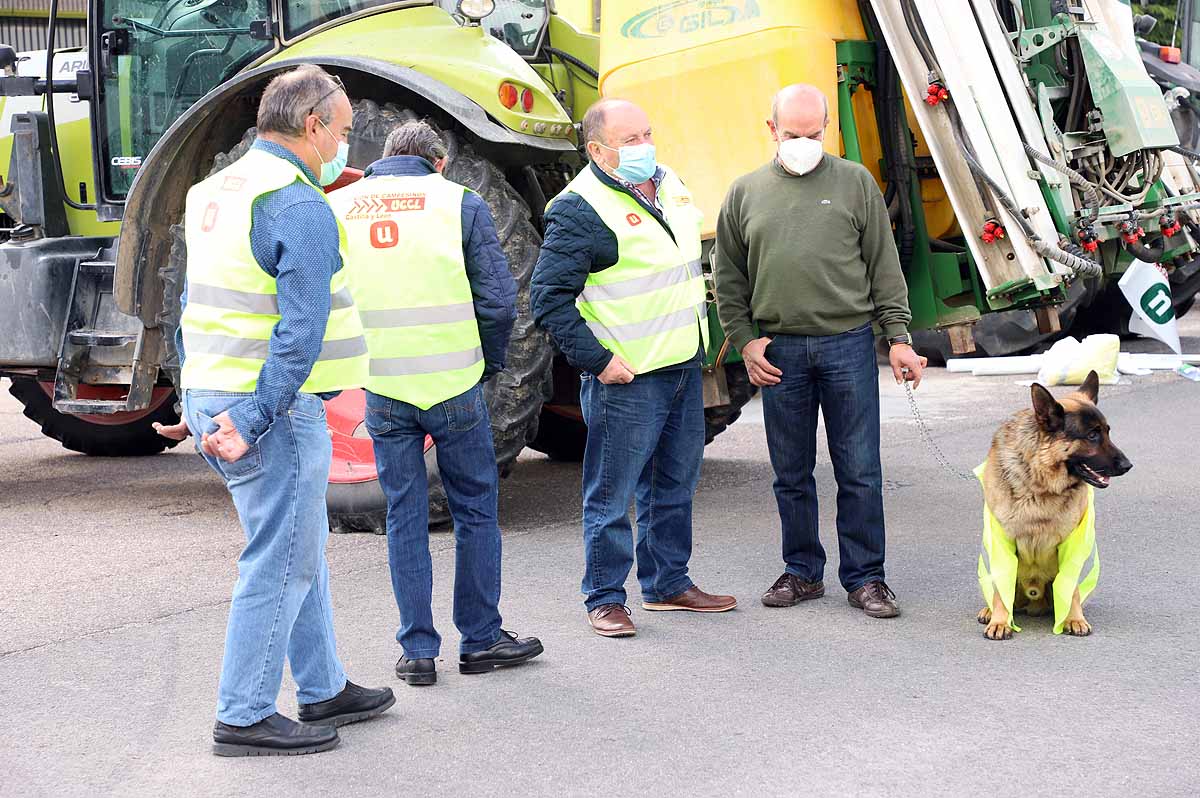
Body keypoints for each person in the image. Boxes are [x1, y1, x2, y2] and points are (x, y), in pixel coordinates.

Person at [175, 65, 394, 756]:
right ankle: (242, 714)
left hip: (221, 391)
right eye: (345, 131)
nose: (346, 144)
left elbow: (193, 305)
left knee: (299, 548)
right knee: (280, 561)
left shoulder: (215, 190)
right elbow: (298, 333)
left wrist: (194, 399)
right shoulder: (297, 204)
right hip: (270, 410)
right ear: (312, 126)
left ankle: (323, 683)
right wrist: (256, 416)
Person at [328, 120, 543, 684]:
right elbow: (498, 301)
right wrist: (487, 363)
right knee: (475, 510)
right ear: (438, 162)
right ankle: (479, 639)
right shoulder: (459, 203)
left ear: (383, 157)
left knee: (404, 515)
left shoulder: (342, 204)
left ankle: (418, 651)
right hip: (453, 385)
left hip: (383, 390)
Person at [714, 84, 926, 620]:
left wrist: (898, 338)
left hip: (847, 345)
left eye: (812, 134)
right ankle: (803, 572)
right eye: (792, 135)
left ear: (826, 129)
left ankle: (866, 578)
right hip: (779, 350)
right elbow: (729, 277)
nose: (802, 143)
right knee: (790, 471)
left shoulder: (856, 184)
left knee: (859, 469)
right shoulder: (744, 194)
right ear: (771, 131)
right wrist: (745, 340)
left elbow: (883, 267)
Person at [531, 98, 736, 639]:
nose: (644, 146)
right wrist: (597, 362)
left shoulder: (668, 182)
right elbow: (548, 299)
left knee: (673, 482)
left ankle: (668, 583)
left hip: (681, 365)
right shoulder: (578, 208)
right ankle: (604, 597)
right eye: (629, 141)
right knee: (611, 493)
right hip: (628, 376)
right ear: (597, 150)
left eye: (646, 133)